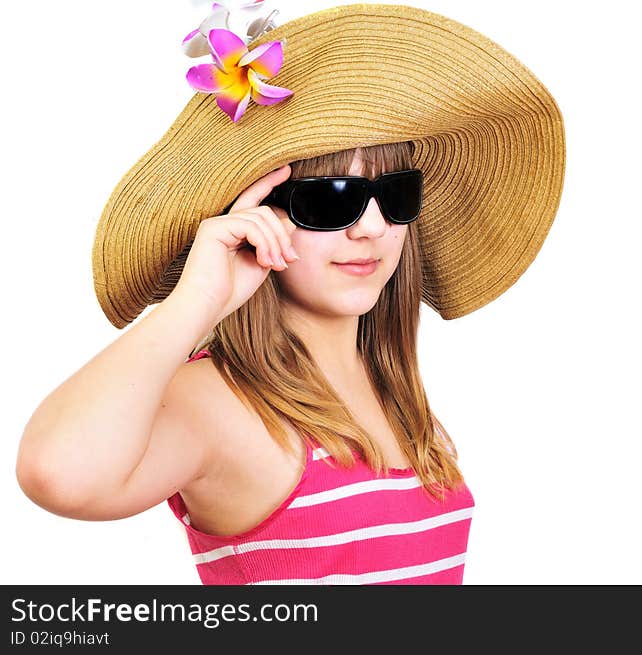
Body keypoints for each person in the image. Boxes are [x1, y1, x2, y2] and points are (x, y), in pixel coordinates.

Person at [16, 3, 565, 585]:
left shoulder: (394, 392)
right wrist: (195, 301)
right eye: (330, 198)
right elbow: (57, 474)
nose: (371, 228)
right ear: (253, 219)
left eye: (395, 194)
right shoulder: (219, 402)